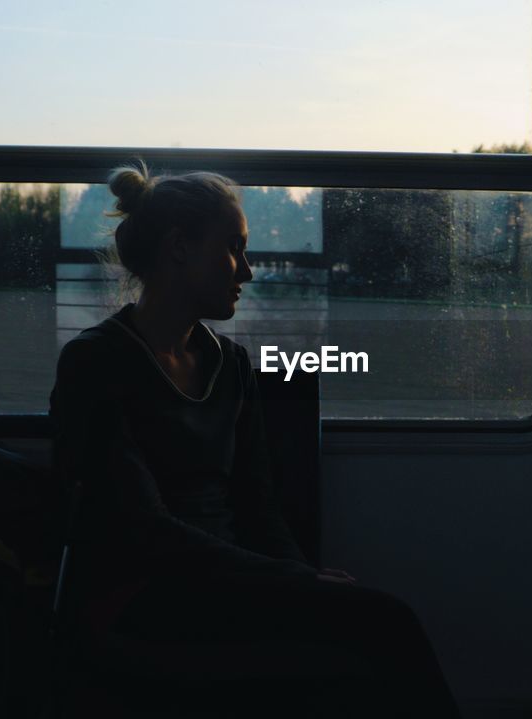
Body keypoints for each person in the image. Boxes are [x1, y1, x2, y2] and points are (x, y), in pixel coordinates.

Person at [48, 161, 459, 717]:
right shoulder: (96, 362)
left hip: (231, 582)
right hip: (142, 595)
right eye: (234, 249)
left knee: (380, 625)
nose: (247, 271)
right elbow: (143, 530)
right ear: (179, 249)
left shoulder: (231, 363)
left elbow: (256, 504)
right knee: (381, 627)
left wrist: (305, 581)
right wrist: (290, 583)